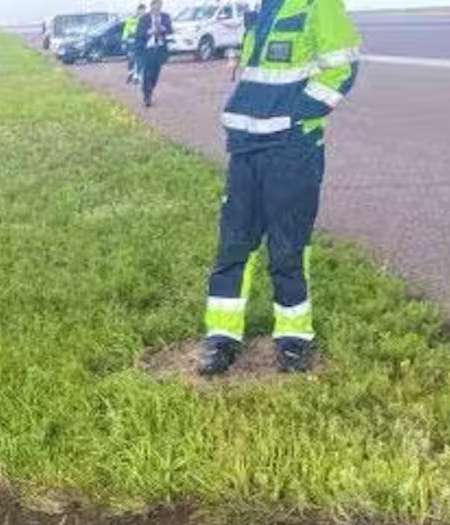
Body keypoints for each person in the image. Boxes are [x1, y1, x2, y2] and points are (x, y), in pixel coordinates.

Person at [198, 0, 361, 375]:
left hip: (291, 151)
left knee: (287, 247)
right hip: (246, 148)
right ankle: (221, 337)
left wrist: (295, 116)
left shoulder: (318, 4)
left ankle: (293, 339)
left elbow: (343, 68)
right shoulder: (264, 8)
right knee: (233, 245)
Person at [134, 0, 173, 107]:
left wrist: (162, 29)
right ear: (151, 6)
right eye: (156, 6)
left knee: (155, 74)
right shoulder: (144, 19)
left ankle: (149, 89)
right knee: (147, 73)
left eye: (160, 6)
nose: (157, 9)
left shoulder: (165, 17)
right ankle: (147, 96)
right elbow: (139, 34)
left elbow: (170, 30)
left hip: (159, 49)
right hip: (147, 49)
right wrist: (150, 31)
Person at [123, 5, 145, 84]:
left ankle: (137, 77)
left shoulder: (145, 19)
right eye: (140, 10)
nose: (142, 12)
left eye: (143, 10)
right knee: (131, 59)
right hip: (131, 41)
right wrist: (124, 41)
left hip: (141, 42)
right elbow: (126, 30)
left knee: (140, 60)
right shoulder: (131, 19)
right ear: (137, 10)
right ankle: (130, 74)